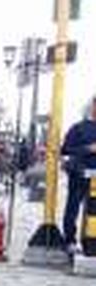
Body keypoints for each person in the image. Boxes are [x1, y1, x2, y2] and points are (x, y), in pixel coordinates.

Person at [61, 95, 96, 253]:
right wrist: (88, 149)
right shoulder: (78, 128)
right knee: (73, 207)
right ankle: (70, 240)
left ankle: (90, 243)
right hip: (79, 175)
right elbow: (66, 150)